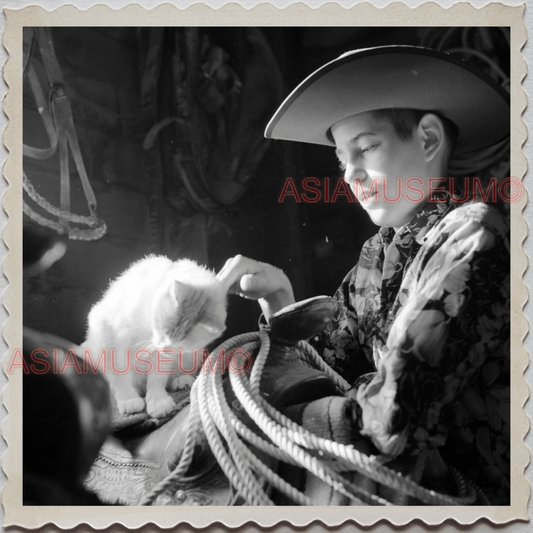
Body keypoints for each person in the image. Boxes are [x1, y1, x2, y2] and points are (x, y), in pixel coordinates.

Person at [217, 46, 510, 504]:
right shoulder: (375, 258)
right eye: (340, 159)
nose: (350, 173)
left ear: (428, 139)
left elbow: (392, 417)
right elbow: (331, 372)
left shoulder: (474, 233)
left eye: (366, 147)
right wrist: (280, 300)